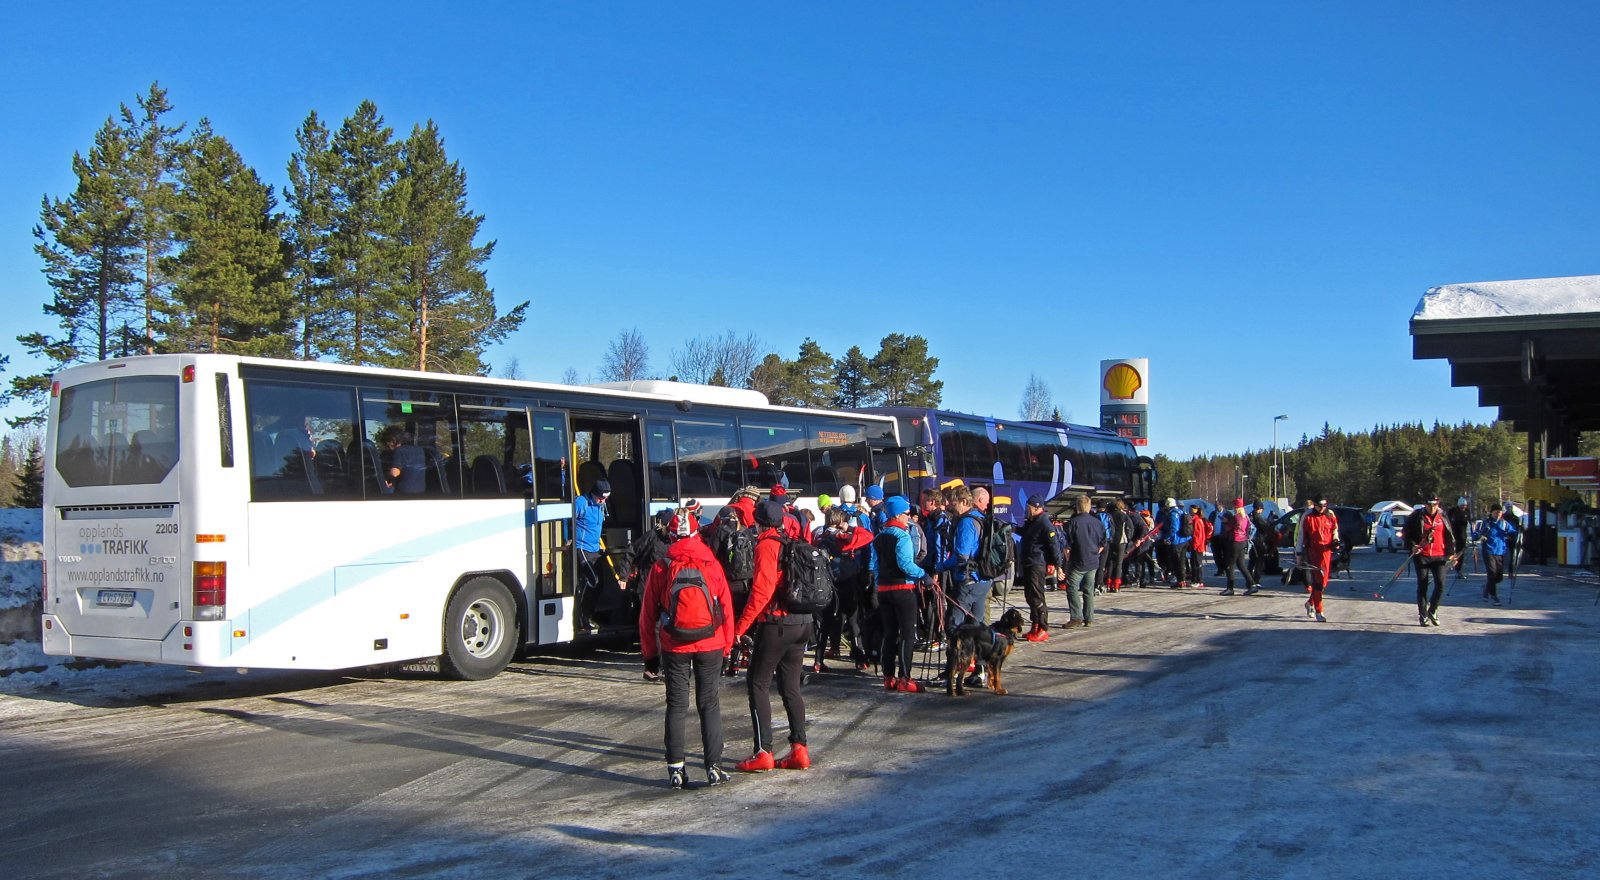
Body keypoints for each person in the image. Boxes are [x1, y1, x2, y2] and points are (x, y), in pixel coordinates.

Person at [638, 512, 736, 788]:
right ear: (696, 533)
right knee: (709, 703)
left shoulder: (662, 566)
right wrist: (727, 644)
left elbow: (647, 615)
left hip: (674, 643)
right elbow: (726, 606)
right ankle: (714, 766)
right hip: (711, 641)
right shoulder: (710, 562)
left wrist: (650, 656)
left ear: (671, 535)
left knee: (677, 704)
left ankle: (676, 769)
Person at [732, 500, 813, 772]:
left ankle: (763, 751)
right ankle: (799, 749)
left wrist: (740, 627)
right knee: (791, 686)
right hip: (802, 621)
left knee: (758, 683)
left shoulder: (767, 545)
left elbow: (762, 592)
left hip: (776, 623)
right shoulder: (791, 542)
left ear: (759, 523)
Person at [937, 485, 992, 684]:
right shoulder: (982, 518)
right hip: (983, 579)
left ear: (964, 502)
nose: (952, 508)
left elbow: (962, 555)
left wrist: (940, 566)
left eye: (954, 504)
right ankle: (981, 670)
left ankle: (952, 671)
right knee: (977, 627)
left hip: (967, 580)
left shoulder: (967, 522)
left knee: (954, 626)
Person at [874, 496, 929, 691]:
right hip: (903, 590)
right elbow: (905, 564)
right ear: (897, 514)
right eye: (906, 514)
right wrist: (923, 575)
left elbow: (874, 565)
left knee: (889, 634)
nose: (909, 517)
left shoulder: (879, 536)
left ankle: (888, 677)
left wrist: (876, 585)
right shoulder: (902, 536)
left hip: (883, 590)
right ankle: (905, 678)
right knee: (907, 635)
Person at [1403, 495, 1457, 627]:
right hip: (1422, 555)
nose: (1432, 508)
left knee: (1441, 584)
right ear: (1425, 505)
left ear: (1438, 504)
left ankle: (1432, 610)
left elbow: (1449, 535)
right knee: (1423, 584)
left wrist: (1452, 554)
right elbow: (1406, 533)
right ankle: (1423, 614)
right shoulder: (1417, 516)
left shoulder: (1443, 516)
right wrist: (1412, 545)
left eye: (1434, 505)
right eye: (1429, 505)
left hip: (1439, 555)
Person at [1018, 496, 1061, 640]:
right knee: (1029, 596)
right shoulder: (1032, 522)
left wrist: (1056, 564)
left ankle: (1043, 627)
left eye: (1028, 507)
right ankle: (1035, 624)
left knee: (1037, 596)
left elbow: (1053, 545)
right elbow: (1025, 533)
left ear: (1036, 507)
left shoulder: (1044, 523)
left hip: (1037, 563)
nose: (1026, 510)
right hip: (1029, 562)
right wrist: (1012, 527)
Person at [1062, 494, 1107, 628]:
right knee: (1088, 589)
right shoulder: (1098, 522)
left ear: (1077, 507)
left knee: (1072, 588)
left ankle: (1076, 617)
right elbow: (1103, 543)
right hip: (1093, 561)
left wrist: (1068, 559)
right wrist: (1094, 554)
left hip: (1078, 561)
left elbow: (1066, 544)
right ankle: (1089, 618)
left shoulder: (1073, 523)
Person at [573, 478, 611, 633]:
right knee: (592, 581)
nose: (603, 500)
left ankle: (588, 616)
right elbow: (567, 519)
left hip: (595, 549)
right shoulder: (581, 503)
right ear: (594, 494)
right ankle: (580, 617)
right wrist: (567, 539)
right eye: (601, 497)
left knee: (600, 584)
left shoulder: (601, 505)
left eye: (606, 498)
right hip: (582, 548)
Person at [1296, 496, 1341, 622]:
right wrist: (1299, 553)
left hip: (1326, 551)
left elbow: (1335, 529)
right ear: (1314, 505)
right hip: (1313, 552)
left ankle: (1310, 602)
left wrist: (1336, 540)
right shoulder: (1308, 516)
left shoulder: (1330, 515)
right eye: (1319, 506)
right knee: (1318, 582)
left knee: (1324, 583)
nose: (1322, 509)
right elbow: (1300, 535)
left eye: (1324, 506)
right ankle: (1319, 610)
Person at [1475, 503, 1520, 605]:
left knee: (1499, 577)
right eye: (1496, 513)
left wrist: (1519, 530)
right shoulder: (1486, 523)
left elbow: (1513, 532)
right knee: (1491, 574)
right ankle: (1494, 596)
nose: (1498, 515)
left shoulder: (1504, 523)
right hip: (1488, 551)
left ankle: (1486, 588)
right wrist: (1479, 536)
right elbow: (1476, 534)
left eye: (1500, 513)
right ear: (1492, 513)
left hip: (1500, 551)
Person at [1218, 498, 1259, 595]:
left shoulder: (1236, 517)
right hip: (1243, 541)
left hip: (1235, 542)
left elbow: (1229, 528)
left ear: (1236, 506)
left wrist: (1225, 522)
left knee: (1229, 565)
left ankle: (1230, 588)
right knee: (1241, 565)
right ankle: (1253, 585)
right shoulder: (1245, 516)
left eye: (1234, 506)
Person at [1156, 498, 1192, 588]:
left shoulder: (1172, 514)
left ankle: (1179, 581)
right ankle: (1183, 580)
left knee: (1176, 562)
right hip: (1185, 540)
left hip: (1177, 541)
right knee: (1182, 561)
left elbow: (1174, 528)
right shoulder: (1181, 511)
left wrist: (1167, 538)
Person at [379, 426, 426, 494]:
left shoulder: (399, 451)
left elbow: (395, 473)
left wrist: (383, 477)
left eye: (388, 441)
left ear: (394, 440)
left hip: (402, 493)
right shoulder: (419, 450)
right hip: (420, 491)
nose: (388, 445)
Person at [1446, 496, 1472, 577]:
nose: (1464, 507)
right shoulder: (1453, 511)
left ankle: (1458, 569)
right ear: (1459, 505)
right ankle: (1450, 566)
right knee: (1453, 552)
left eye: (1465, 505)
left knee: (1461, 553)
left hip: (1463, 536)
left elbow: (1470, 522)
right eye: (1462, 505)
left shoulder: (1467, 512)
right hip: (1454, 535)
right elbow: (1447, 520)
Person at [1187, 504, 1211, 589]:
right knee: (1193, 563)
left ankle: (1199, 581)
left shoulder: (1197, 520)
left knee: (1197, 563)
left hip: (1198, 546)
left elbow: (1198, 534)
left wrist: (1195, 545)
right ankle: (1194, 579)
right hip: (1196, 545)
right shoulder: (1195, 519)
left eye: (1190, 510)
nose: (1189, 511)